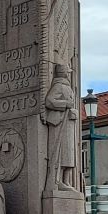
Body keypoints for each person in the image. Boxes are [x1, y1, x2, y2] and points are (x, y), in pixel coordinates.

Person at [42, 64, 78, 192]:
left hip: (68, 123)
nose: (69, 74)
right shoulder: (58, 85)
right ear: (63, 73)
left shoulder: (68, 87)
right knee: (61, 153)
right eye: (67, 72)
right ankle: (58, 181)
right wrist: (65, 104)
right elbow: (49, 101)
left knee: (70, 153)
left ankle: (66, 180)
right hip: (59, 123)